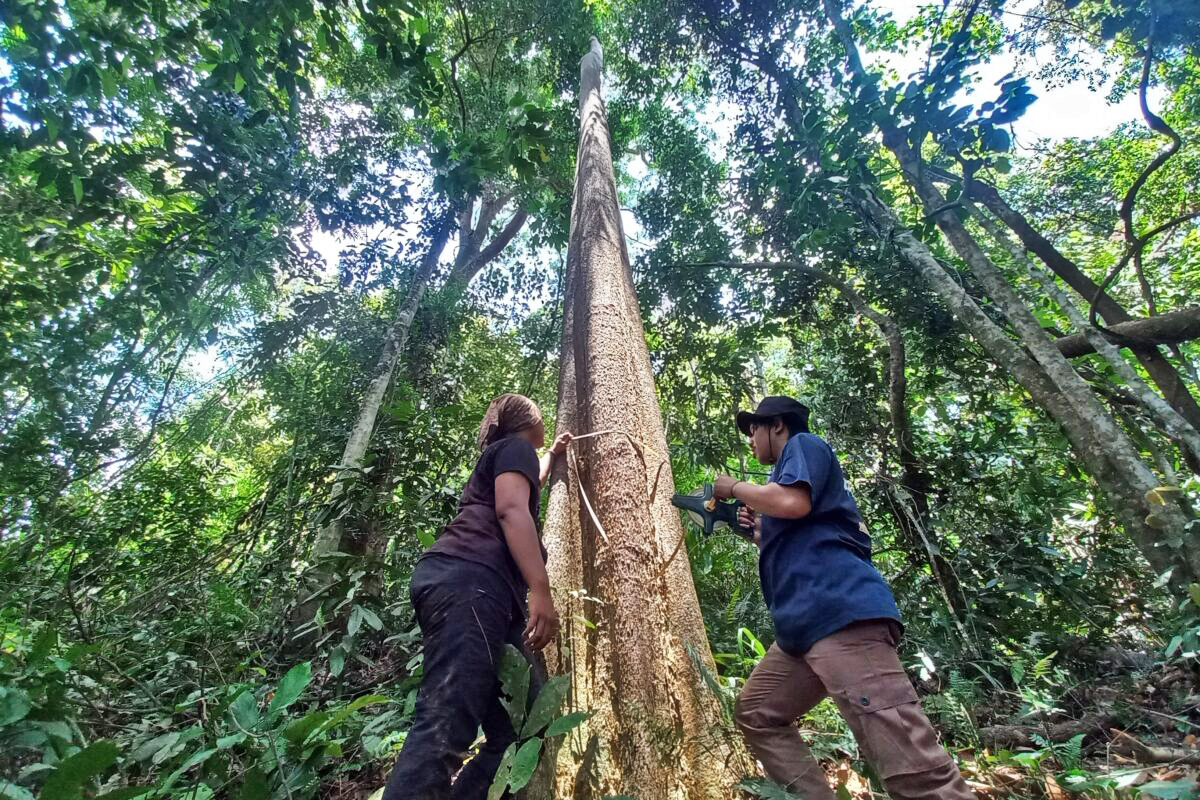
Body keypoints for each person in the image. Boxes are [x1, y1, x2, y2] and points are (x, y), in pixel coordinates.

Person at [713, 396, 973, 800]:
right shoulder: (785, 478)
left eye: (753, 430)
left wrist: (734, 487)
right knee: (758, 713)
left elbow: (793, 503)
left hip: (840, 614)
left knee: (909, 763)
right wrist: (758, 531)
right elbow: (791, 528)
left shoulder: (804, 446)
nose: (750, 440)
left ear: (777, 425)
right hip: (802, 630)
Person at [382, 393, 571, 800]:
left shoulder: (512, 455)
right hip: (471, 581)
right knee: (447, 720)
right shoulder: (516, 448)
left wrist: (553, 455)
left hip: (482, 591)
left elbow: (525, 488)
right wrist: (540, 589)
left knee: (523, 728)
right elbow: (511, 509)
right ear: (530, 422)